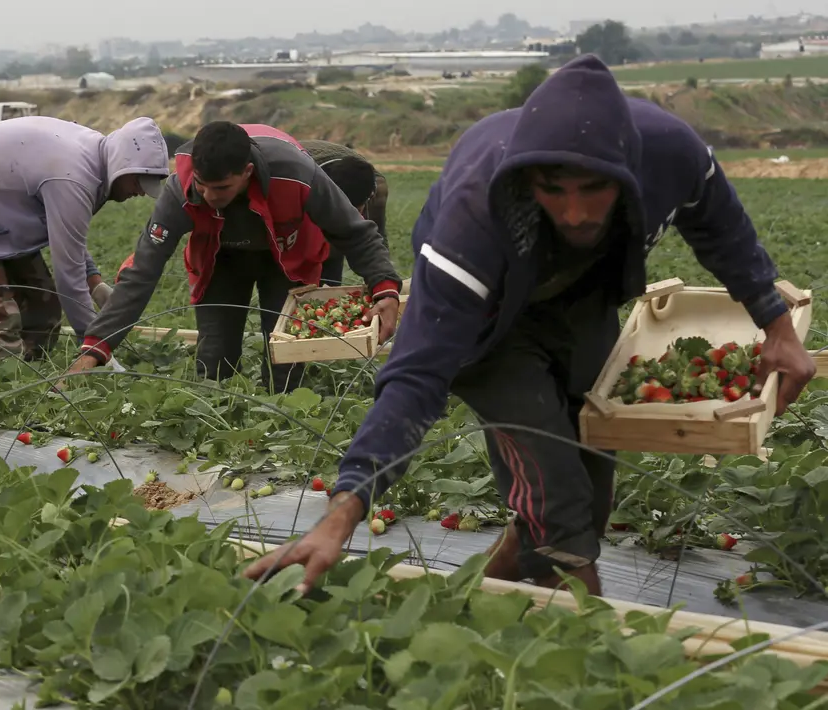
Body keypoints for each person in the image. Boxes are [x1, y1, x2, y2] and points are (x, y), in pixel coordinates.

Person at [243, 54, 816, 597]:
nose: (575, 212)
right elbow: (417, 373)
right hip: (486, 320)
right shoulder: (473, 224)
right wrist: (345, 510)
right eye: (553, 191)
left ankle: (482, 593)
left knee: (591, 478)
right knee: (560, 507)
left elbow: (722, 227)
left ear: (628, 167)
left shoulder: (671, 152)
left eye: (595, 189)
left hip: (579, 294)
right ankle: (576, 641)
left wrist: (778, 327)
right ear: (524, 181)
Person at [65, 121, 402, 393]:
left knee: (285, 356)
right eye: (202, 185)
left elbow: (355, 231)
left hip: (284, 256)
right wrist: (96, 347)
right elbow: (142, 271)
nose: (209, 196)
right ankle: (220, 425)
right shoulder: (180, 191)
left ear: (247, 172)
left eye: (221, 188)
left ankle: (281, 428)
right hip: (219, 258)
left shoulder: (297, 173)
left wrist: (385, 289)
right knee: (214, 361)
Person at [0, 116, 170, 360]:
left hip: (1, 206)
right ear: (121, 164)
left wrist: (95, 284)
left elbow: (68, 238)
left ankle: (34, 381)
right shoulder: (73, 177)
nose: (139, 192)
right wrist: (96, 349)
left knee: (43, 310)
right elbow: (68, 276)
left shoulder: (93, 159)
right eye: (138, 181)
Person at [108, 139, 390, 288]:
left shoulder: (375, 187)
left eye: (358, 209)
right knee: (312, 249)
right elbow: (167, 226)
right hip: (304, 190)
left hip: (349, 183)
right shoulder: (299, 174)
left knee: (342, 240)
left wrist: (380, 282)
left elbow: (367, 238)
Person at [299, 139, 390, 286]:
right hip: (303, 177)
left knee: (330, 281)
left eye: (355, 210)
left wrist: (383, 281)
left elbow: (376, 236)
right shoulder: (300, 179)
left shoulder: (376, 188)